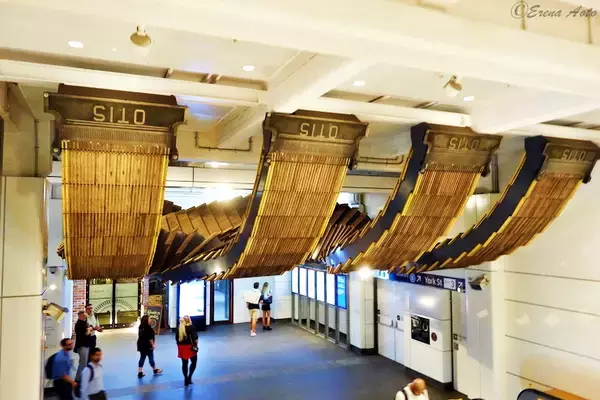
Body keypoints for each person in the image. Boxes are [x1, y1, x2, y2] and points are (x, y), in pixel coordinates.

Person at [176, 316, 198, 386]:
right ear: (189, 320)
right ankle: (189, 377)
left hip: (182, 348)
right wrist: (196, 345)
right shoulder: (191, 327)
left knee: (184, 364)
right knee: (194, 362)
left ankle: (185, 378)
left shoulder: (179, 328)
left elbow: (176, 339)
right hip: (190, 347)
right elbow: (195, 339)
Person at [75, 310, 93, 381]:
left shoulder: (84, 322)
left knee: (83, 362)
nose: (84, 317)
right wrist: (90, 329)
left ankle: (81, 376)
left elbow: (89, 328)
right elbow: (86, 333)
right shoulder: (79, 324)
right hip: (82, 345)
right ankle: (78, 378)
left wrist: (90, 328)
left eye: (84, 315)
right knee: (83, 363)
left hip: (86, 344)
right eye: (83, 315)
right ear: (79, 316)